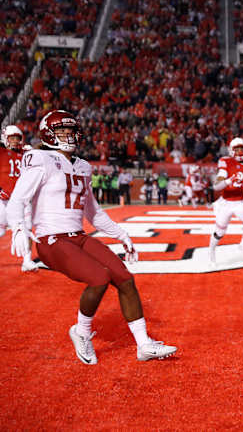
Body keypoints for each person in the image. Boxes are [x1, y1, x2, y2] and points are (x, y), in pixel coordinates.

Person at [7, 110, 176, 364]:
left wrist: (122, 234)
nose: (70, 135)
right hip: (51, 239)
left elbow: (93, 212)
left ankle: (143, 345)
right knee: (99, 278)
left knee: (125, 278)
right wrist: (18, 227)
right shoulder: (38, 157)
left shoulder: (83, 166)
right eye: (63, 130)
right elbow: (17, 199)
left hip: (78, 236)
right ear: (48, 133)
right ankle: (81, 332)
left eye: (72, 130)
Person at [0, 125, 39, 272]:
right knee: (1, 231)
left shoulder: (26, 153)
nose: (15, 141)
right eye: (12, 138)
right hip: (3, 200)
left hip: (22, 200)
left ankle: (27, 260)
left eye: (18, 138)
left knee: (27, 228)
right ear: (5, 138)